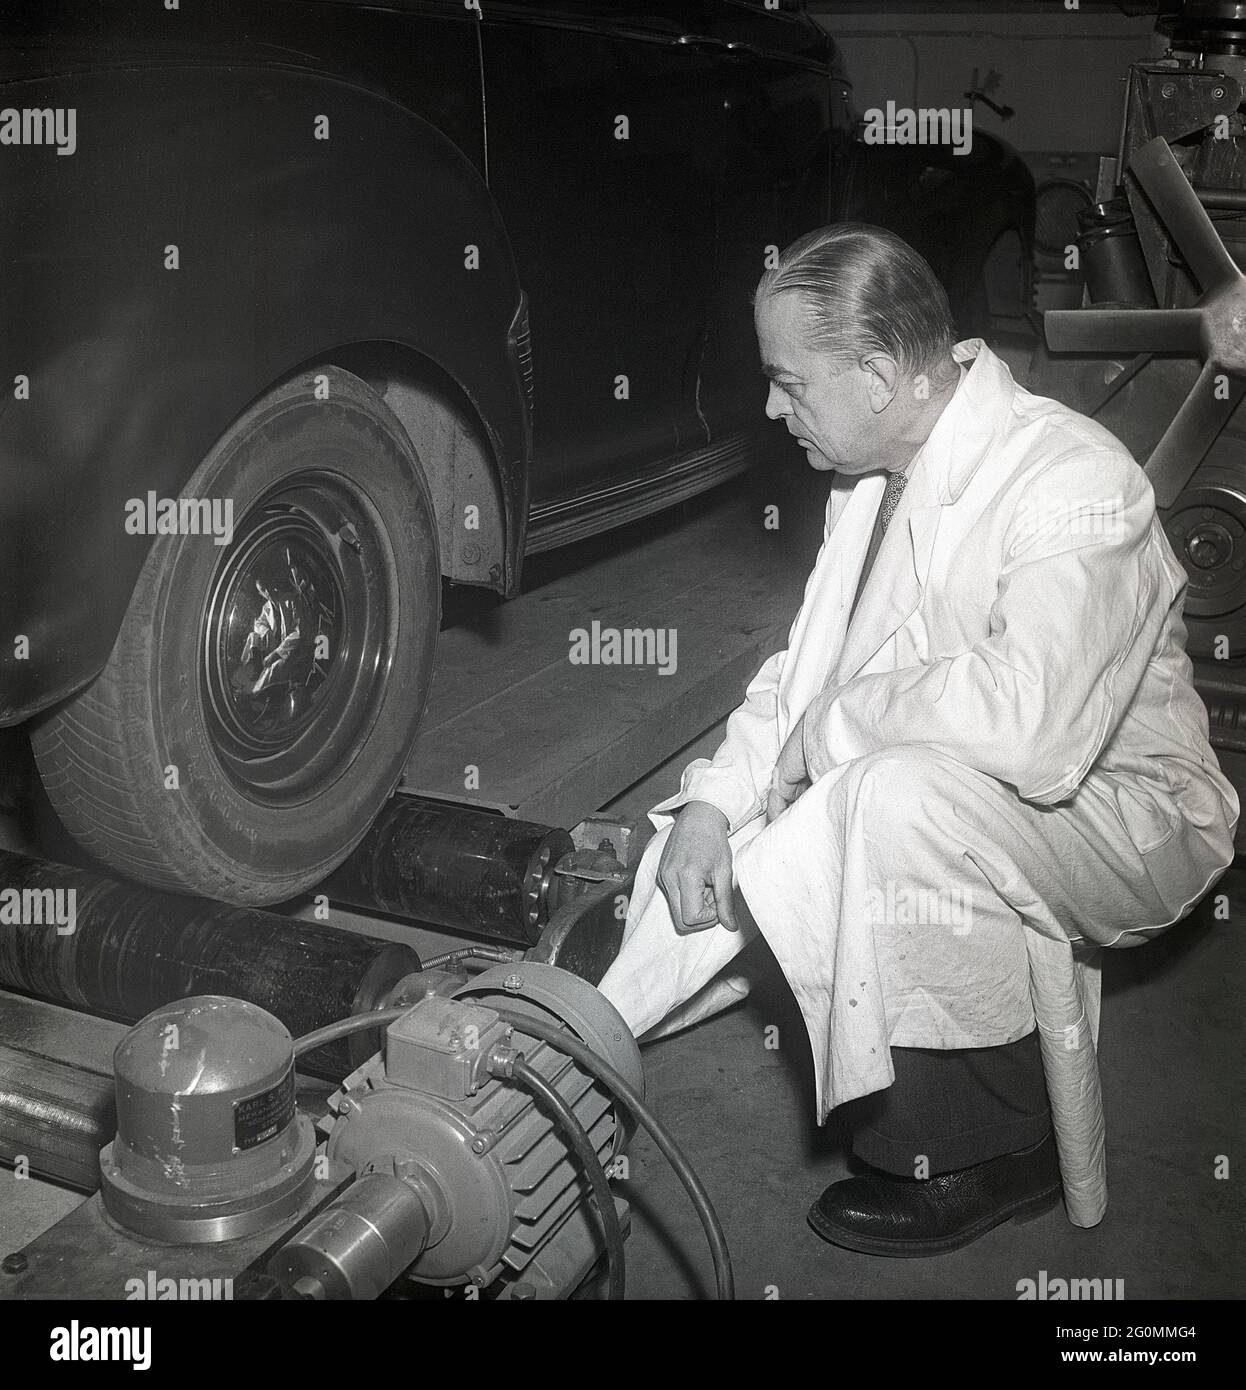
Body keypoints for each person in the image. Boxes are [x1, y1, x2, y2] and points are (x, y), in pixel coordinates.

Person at [597, 223, 1238, 1257]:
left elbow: (1030, 733)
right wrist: (715, 801)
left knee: (888, 800)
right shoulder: (870, 485)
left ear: (883, 374)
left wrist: (836, 728)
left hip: (1127, 812)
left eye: (788, 381)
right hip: (981, 788)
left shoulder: (1072, 477)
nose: (771, 407)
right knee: (727, 851)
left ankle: (989, 1146)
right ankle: (591, 1008)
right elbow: (802, 675)